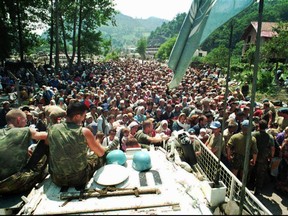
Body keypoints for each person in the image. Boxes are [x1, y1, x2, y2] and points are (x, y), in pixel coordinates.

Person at [46, 101, 106, 188]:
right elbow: (100, 153)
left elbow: (47, 143)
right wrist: (98, 141)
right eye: (84, 116)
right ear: (77, 116)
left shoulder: (52, 128)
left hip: (57, 179)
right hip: (78, 179)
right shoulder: (84, 131)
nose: (84, 118)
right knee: (98, 156)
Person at [0, 109, 48, 195]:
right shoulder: (24, 130)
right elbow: (47, 136)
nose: (26, 123)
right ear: (19, 120)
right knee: (45, 143)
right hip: (15, 184)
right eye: (25, 120)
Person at [250, 119, 275, 195]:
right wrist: (271, 156)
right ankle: (257, 191)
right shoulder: (269, 137)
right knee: (260, 175)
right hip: (263, 158)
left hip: (252, 156)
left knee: (251, 172)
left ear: (258, 126)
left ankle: (249, 187)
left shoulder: (253, 134)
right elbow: (272, 148)